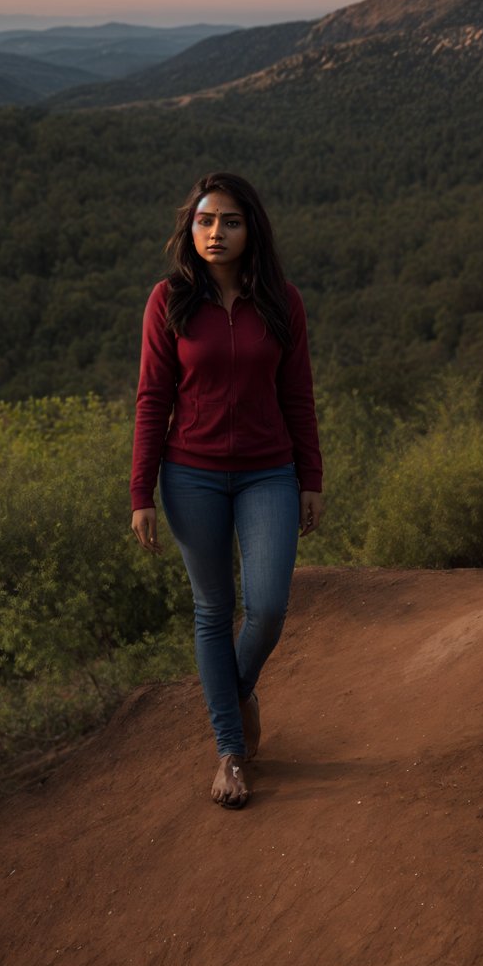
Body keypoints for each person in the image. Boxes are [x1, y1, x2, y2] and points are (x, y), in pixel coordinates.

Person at [130, 172, 324, 809]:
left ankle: (236, 693)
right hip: (190, 474)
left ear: (251, 230)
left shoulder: (282, 300)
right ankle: (230, 752)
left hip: (270, 472)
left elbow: (297, 394)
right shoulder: (169, 301)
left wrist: (311, 479)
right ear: (191, 229)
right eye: (205, 221)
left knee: (267, 607)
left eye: (230, 222)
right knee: (213, 611)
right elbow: (152, 398)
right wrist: (140, 493)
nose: (216, 233)